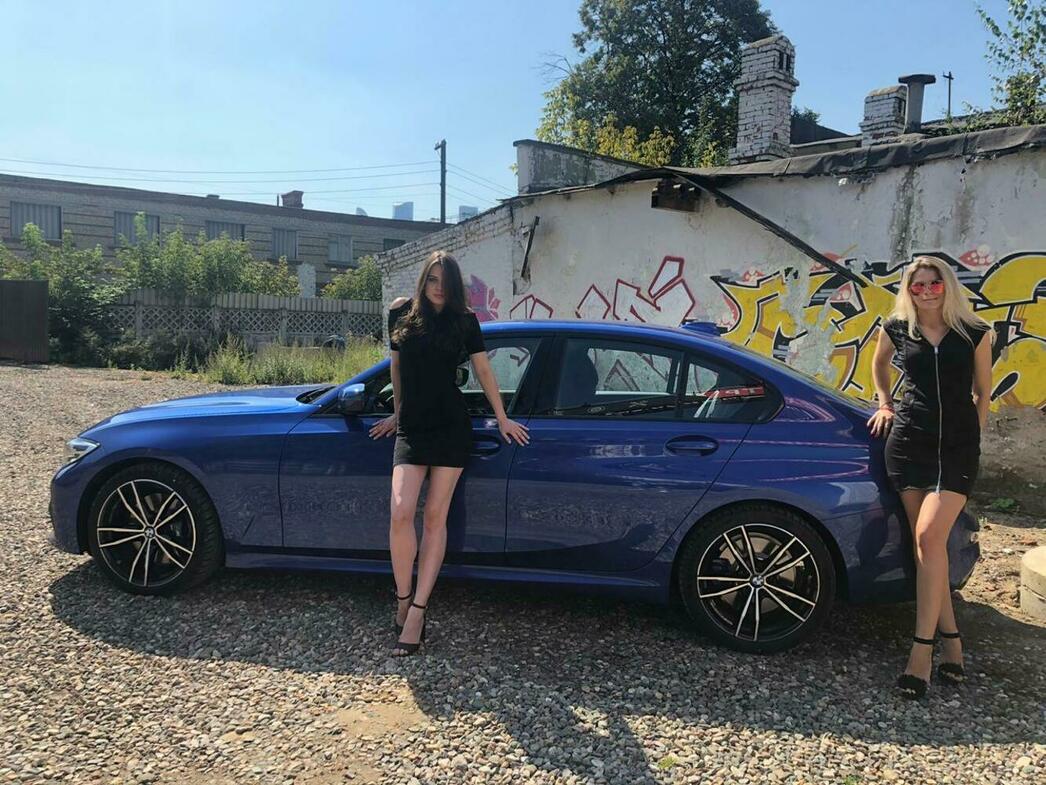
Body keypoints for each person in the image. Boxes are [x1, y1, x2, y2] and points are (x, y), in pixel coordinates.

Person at [369, 250, 529, 656]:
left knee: (435, 517)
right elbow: (396, 369)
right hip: (412, 428)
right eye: (432, 279)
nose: (438, 287)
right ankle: (402, 597)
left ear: (455, 285)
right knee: (400, 512)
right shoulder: (400, 313)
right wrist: (397, 413)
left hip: (451, 428)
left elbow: (484, 371)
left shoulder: (465, 321)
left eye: (445, 281)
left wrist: (502, 418)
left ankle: (418, 611)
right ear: (423, 280)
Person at [867, 255, 993, 699]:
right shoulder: (897, 328)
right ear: (908, 290)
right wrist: (884, 402)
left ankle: (921, 652)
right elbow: (879, 366)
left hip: (957, 450)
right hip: (909, 444)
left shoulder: (974, 332)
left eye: (933, 284)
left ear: (947, 286)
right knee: (927, 546)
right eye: (917, 285)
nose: (925, 291)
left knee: (928, 537)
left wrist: (973, 436)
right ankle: (953, 642)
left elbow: (983, 391)